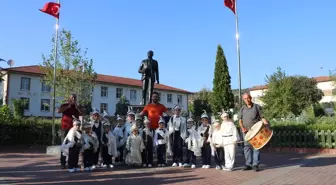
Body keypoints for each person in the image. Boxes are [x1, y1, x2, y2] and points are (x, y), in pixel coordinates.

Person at [239, 93, 269, 172]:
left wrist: (265, 122)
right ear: (243, 99)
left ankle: (255, 165)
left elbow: (262, 117)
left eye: (248, 98)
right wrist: (242, 128)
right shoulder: (242, 109)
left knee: (256, 147)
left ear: (251, 98)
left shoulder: (257, 107)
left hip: (256, 131)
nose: (247, 100)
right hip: (246, 131)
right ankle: (248, 164)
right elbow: (240, 120)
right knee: (246, 147)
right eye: (245, 99)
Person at [58, 93, 82, 169]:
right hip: (65, 128)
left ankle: (73, 163)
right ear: (69, 98)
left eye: (75, 98)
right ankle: (63, 163)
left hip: (75, 129)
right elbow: (59, 111)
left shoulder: (77, 107)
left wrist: (77, 107)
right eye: (72, 98)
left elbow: (82, 113)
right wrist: (68, 106)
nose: (73, 99)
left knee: (75, 146)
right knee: (64, 145)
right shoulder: (64, 105)